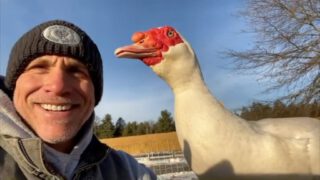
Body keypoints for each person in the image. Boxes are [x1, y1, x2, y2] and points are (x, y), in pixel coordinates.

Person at [0, 20, 156, 180]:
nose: (58, 86)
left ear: (94, 93)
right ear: (14, 86)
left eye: (75, 70)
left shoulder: (130, 172)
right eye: (39, 67)